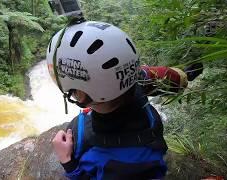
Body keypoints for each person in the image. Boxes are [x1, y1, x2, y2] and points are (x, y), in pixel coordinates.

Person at [47, 20, 202, 179]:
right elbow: (161, 76)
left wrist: (68, 163)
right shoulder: (134, 80)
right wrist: (184, 76)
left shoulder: (117, 164)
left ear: (80, 95)